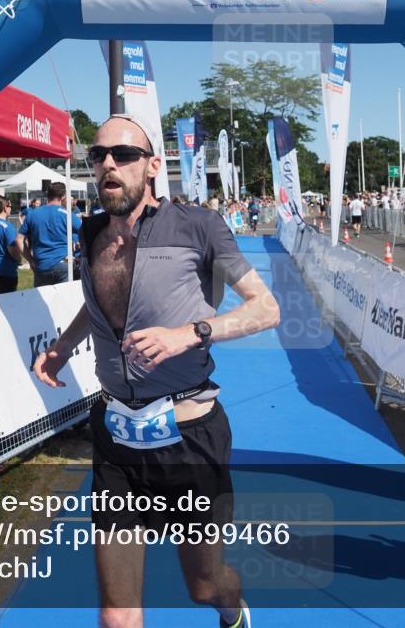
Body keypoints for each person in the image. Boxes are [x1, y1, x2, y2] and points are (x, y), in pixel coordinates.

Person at [33, 115, 280, 628]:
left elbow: (265, 308)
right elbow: (95, 303)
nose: (107, 164)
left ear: (152, 166)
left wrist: (189, 333)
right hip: (117, 438)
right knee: (117, 616)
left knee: (205, 587)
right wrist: (61, 349)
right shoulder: (92, 230)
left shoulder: (198, 226)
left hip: (189, 436)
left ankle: (232, 609)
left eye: (122, 155)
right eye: (97, 155)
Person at [16, 182, 82, 286]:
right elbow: (86, 233)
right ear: (63, 196)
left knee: (43, 301)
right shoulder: (67, 214)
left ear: (47, 195)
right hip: (63, 265)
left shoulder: (33, 214)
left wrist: (30, 260)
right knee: (64, 301)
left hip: (42, 266)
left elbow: (19, 239)